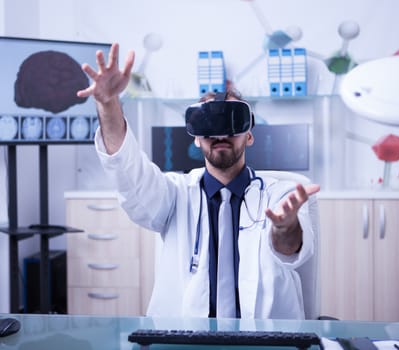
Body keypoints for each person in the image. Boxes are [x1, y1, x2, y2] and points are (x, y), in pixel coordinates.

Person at [77, 43, 321, 319]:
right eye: (208, 124)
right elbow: (130, 173)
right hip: (186, 340)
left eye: (230, 122)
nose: (219, 134)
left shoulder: (283, 194)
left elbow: (289, 249)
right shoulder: (173, 194)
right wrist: (108, 105)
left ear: (249, 135)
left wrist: (284, 228)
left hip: (267, 339)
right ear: (195, 136)